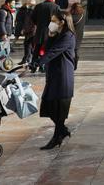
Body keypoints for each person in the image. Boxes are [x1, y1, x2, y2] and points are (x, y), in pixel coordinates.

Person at [38, 12, 76, 150]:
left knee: (58, 109)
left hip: (63, 76)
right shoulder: (58, 35)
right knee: (48, 105)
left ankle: (57, 137)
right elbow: (48, 48)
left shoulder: (68, 36)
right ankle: (62, 131)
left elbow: (54, 51)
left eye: (54, 21)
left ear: (62, 22)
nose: (51, 23)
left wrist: (38, 62)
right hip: (53, 75)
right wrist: (50, 35)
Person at [30, 0, 63, 72]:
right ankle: (43, 67)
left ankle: (33, 67)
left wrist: (38, 24)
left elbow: (33, 17)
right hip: (50, 31)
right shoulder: (56, 7)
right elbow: (59, 19)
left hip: (40, 31)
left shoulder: (38, 6)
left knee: (36, 50)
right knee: (47, 50)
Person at [16, 0, 36, 65]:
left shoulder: (32, 11)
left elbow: (31, 23)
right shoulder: (28, 11)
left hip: (32, 32)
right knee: (28, 46)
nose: (27, 4)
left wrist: (25, 29)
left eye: (29, 3)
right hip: (29, 31)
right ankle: (26, 60)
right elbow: (26, 22)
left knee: (30, 47)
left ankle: (30, 61)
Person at [69, 0, 86, 70]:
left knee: (72, 50)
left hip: (72, 34)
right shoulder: (83, 14)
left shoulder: (72, 17)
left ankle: (72, 63)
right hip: (80, 34)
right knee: (76, 49)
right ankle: (75, 64)